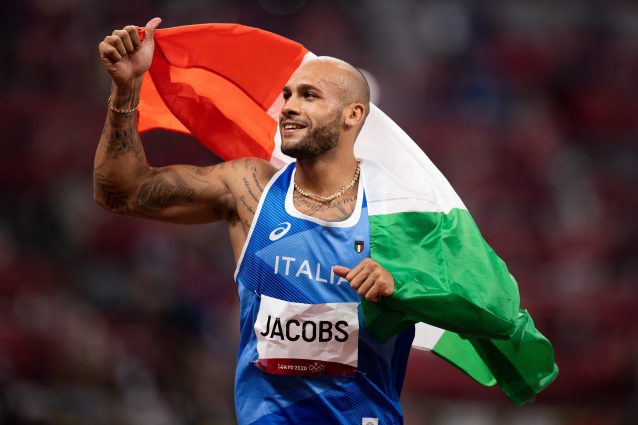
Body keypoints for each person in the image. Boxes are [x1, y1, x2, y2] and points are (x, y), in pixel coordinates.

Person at [96, 18, 414, 424]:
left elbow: (471, 303)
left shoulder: (396, 212)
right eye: (288, 95)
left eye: (309, 95)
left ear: (353, 115)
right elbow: (119, 192)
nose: (289, 106)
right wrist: (126, 88)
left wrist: (404, 286)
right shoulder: (251, 189)